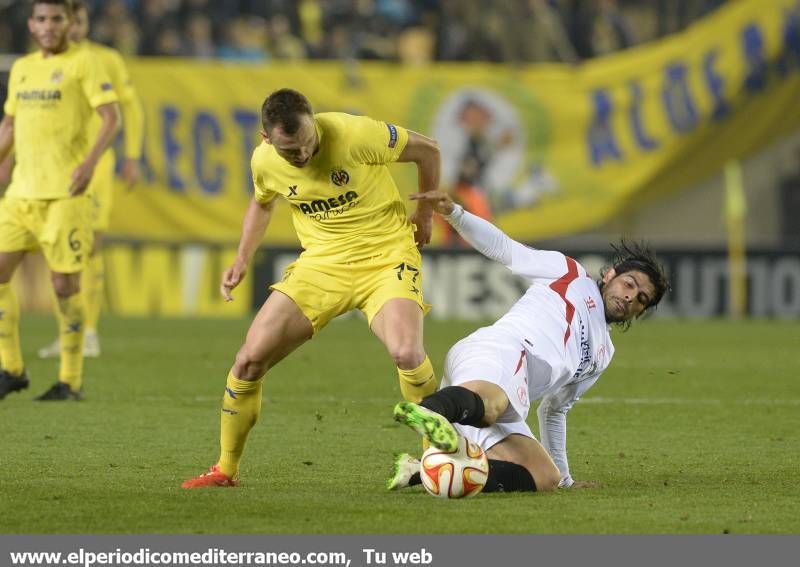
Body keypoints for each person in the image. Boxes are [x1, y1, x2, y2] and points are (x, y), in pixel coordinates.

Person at [182, 88, 441, 488]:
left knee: (407, 352)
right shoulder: (264, 161)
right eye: (290, 152)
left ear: (314, 121)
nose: (302, 156)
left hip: (386, 256)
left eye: (306, 144)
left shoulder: (355, 134)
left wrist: (425, 215)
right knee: (249, 360)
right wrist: (241, 259)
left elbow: (429, 151)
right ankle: (225, 470)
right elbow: (262, 202)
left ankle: (434, 461)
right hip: (322, 264)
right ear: (267, 139)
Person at [388, 190, 668, 493]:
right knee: (492, 404)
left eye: (641, 299)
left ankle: (424, 470)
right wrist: (455, 214)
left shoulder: (603, 354)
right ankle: (431, 411)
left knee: (544, 477)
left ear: (639, 312)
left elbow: (555, 410)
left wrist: (566, 479)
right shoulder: (569, 274)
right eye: (629, 284)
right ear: (610, 274)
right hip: (499, 353)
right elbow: (505, 249)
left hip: (509, 396)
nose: (629, 297)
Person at [0, 0, 120, 401]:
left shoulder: (85, 63)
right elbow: (10, 125)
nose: (48, 26)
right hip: (21, 193)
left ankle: (70, 380)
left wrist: (89, 163)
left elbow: (111, 117)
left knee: (64, 285)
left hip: (65, 194)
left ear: (70, 23)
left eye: (56, 19)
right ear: (31, 25)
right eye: (41, 19)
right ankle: (12, 367)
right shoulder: (22, 68)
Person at [37, 0, 144, 360]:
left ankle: (91, 332)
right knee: (58, 251)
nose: (75, 27)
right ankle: (68, 333)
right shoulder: (43, 61)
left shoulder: (105, 58)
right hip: (55, 166)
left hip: (95, 164)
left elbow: (130, 107)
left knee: (90, 245)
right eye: (71, 21)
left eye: (80, 20)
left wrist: (131, 154)